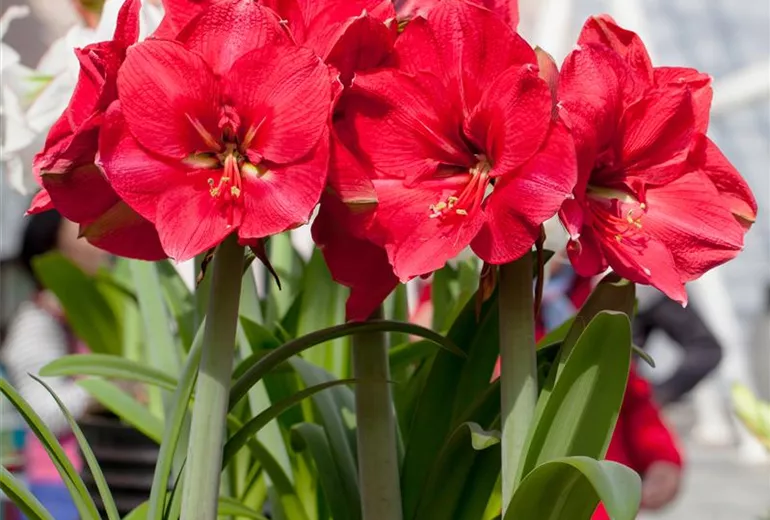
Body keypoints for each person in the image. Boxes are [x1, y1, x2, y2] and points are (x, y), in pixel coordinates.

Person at [1, 209, 106, 520]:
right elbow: (42, 411)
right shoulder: (38, 322)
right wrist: (106, 391)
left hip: (98, 480)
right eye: (86, 232)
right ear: (54, 249)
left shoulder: (85, 317)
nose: (100, 245)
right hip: (60, 489)